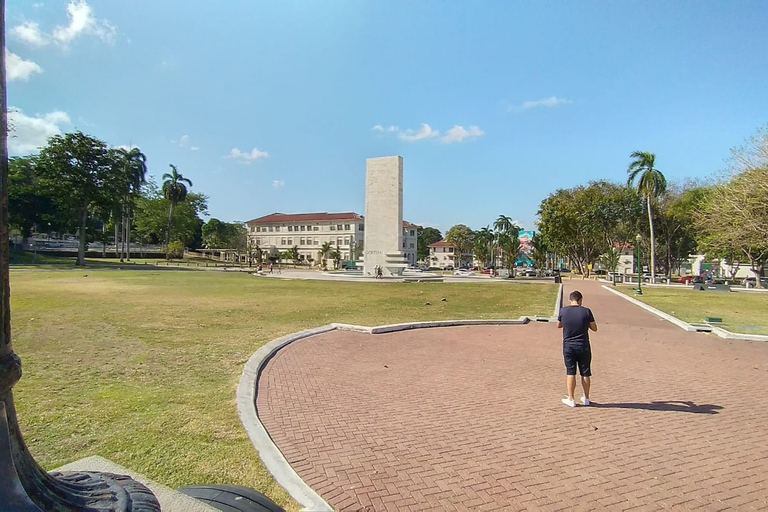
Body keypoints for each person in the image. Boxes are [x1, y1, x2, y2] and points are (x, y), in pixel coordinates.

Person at [557, 290, 597, 407]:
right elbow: (594, 328)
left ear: (570, 300)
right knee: (585, 372)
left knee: (571, 372)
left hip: (569, 345)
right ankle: (586, 398)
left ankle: (571, 398)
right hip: (583, 345)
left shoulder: (563, 311)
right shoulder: (586, 311)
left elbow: (559, 325)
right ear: (580, 300)